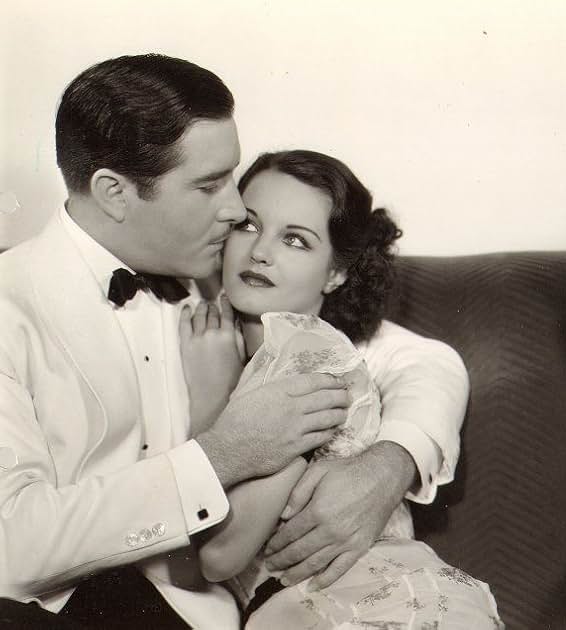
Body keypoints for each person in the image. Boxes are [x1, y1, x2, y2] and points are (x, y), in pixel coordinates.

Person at [0, 54, 468, 630]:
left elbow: (422, 362)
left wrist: (389, 464)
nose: (235, 209)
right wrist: (225, 449)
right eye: (208, 185)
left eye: (232, 178)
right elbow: (10, 546)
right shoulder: (11, 309)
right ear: (115, 193)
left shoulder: (230, 287)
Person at [179, 149, 503, 628]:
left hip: (367, 603)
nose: (260, 251)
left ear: (337, 272)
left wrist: (209, 397)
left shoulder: (308, 361)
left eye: (295, 239)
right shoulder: (196, 329)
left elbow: (219, 556)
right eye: (248, 225)